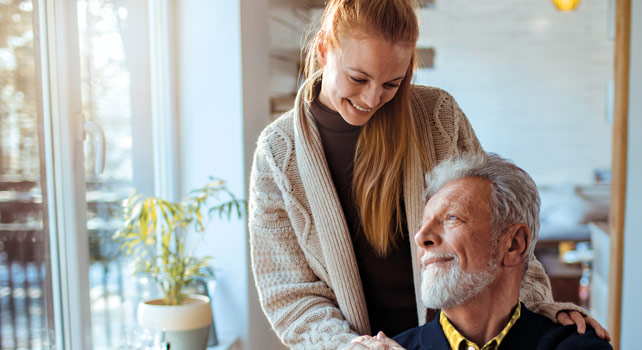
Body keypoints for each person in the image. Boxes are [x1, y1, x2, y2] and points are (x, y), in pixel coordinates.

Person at [248, 0, 608, 348]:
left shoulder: (438, 116)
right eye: (358, 78)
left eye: (392, 83)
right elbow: (289, 294)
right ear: (325, 49)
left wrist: (539, 308)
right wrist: (347, 347)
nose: (372, 99)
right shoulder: (277, 156)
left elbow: (497, 224)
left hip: (459, 341)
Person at [347, 154, 611, 350]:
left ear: (514, 244)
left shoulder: (579, 345)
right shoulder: (397, 346)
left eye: (451, 218)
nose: (421, 237)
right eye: (422, 224)